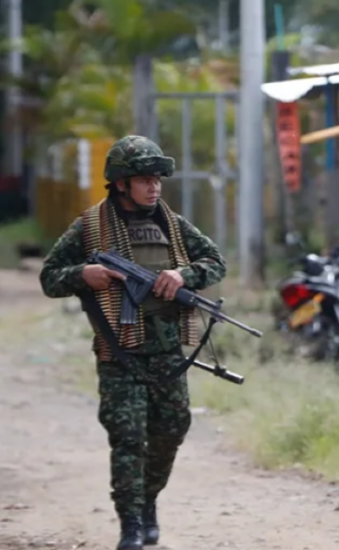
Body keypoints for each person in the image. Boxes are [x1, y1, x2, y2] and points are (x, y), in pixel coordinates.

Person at [39, 136, 227, 550]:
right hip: (119, 353)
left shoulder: (173, 225)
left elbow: (215, 262)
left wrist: (182, 275)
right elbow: (49, 277)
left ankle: (147, 500)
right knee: (127, 438)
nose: (154, 187)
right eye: (144, 179)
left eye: (157, 179)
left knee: (172, 430)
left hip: (166, 352)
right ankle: (131, 525)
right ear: (121, 183)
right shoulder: (90, 226)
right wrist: (82, 275)